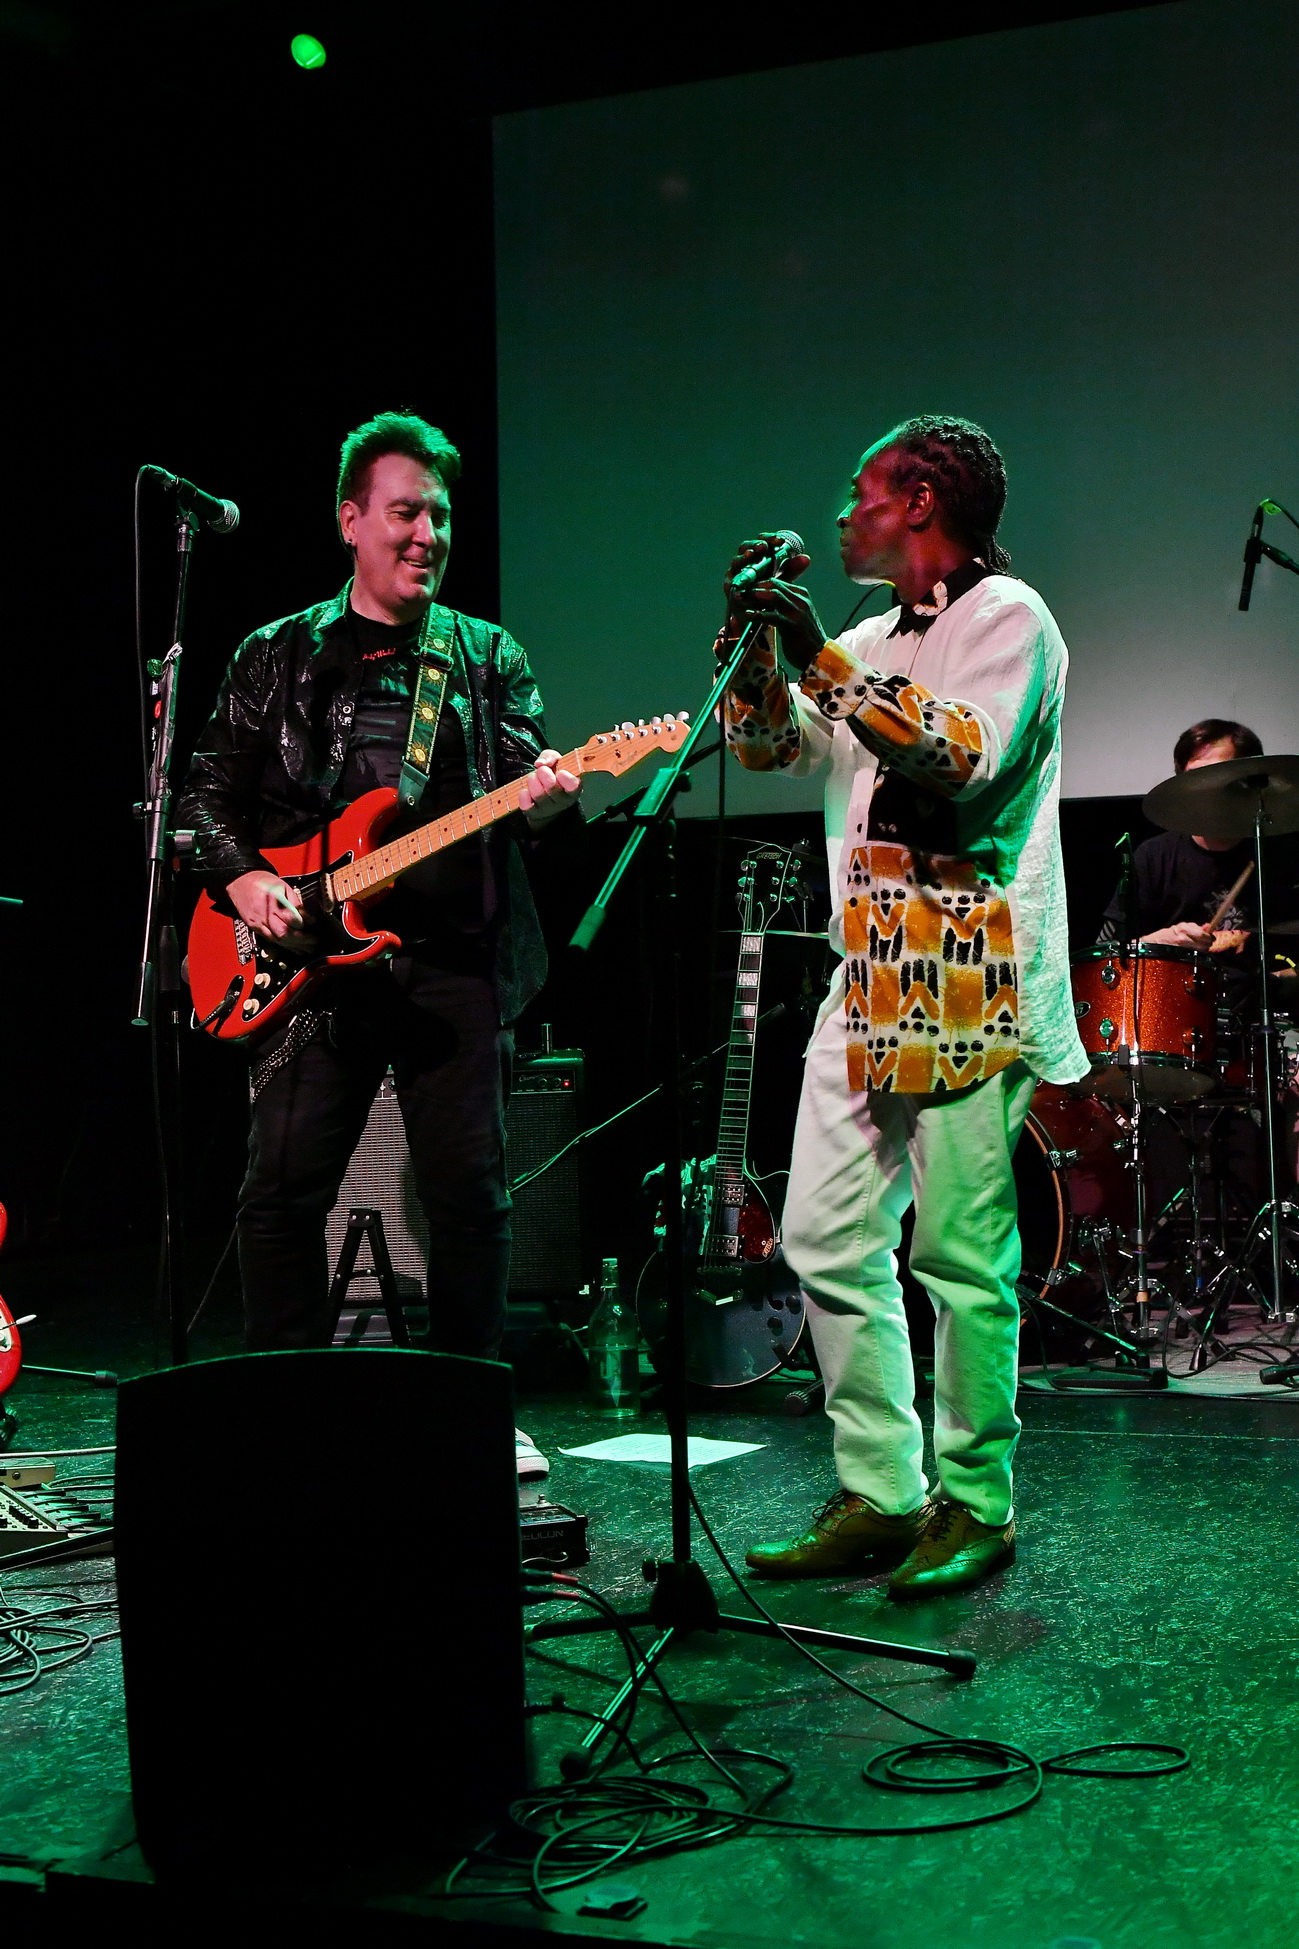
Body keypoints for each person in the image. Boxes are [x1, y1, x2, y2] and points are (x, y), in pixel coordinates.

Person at [718, 416, 1087, 1597]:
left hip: (970, 968)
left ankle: (976, 1501)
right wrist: (757, 648)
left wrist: (820, 658)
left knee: (961, 1254)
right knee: (824, 1233)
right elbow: (769, 747)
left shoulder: (1010, 619)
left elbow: (961, 754)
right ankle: (883, 1488)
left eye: (862, 492)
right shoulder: (871, 637)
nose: (843, 514)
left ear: (920, 500)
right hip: (867, 968)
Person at [180, 411, 580, 1479]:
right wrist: (248, 879)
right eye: (405, 513)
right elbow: (202, 799)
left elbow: (533, 791)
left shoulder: (486, 656)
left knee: (471, 1199)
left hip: (454, 961)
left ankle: (473, 1407)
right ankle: (285, 1408)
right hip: (307, 961)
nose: (426, 534)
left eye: (440, 515)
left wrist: (548, 797)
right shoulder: (274, 654)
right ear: (351, 519)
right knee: (279, 1197)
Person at [1099, 719, 1262, 954]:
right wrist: (1163, 941)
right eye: (1195, 777)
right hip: (1174, 978)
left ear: (1248, 783)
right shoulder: (1153, 857)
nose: (1205, 789)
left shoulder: (1282, 856)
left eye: (1218, 775)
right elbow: (1105, 954)